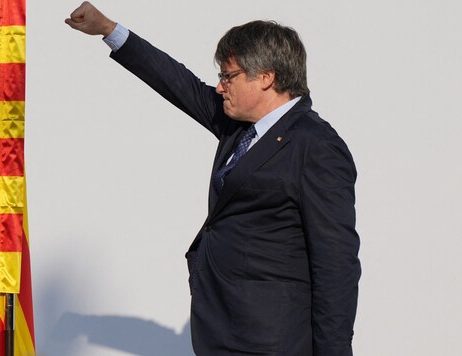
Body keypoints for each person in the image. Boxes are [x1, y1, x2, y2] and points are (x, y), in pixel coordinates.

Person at [65, 2, 361, 355]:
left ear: (266, 77)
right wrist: (109, 30)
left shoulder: (316, 147)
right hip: (220, 329)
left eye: (228, 76)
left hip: (272, 340)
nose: (220, 87)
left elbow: (336, 264)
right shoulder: (238, 127)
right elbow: (178, 83)